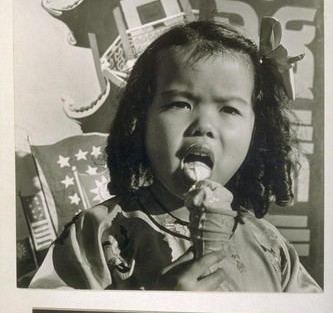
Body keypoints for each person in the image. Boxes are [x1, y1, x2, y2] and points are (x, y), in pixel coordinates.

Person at [29, 18, 322, 291]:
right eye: (180, 104)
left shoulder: (272, 247)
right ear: (140, 120)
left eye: (229, 109)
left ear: (256, 132)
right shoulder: (95, 232)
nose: (204, 126)